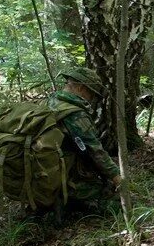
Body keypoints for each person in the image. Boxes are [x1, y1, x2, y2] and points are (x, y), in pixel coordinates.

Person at [47, 67, 122, 209]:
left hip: (47, 173)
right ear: (81, 88)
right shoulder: (75, 114)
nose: (92, 99)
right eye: (92, 94)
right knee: (115, 201)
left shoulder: (51, 101)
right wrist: (117, 178)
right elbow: (95, 151)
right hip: (63, 178)